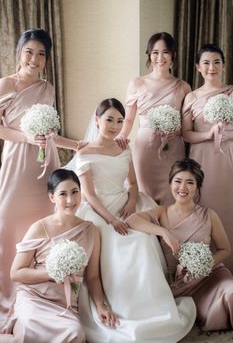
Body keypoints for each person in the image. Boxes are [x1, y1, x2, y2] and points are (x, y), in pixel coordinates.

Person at [67, 98, 196, 343]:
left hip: (125, 203)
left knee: (142, 240)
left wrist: (129, 202)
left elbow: (134, 184)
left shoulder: (124, 148)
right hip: (99, 210)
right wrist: (112, 220)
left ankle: (153, 310)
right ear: (97, 120)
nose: (114, 126)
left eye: (119, 121)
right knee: (114, 243)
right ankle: (120, 310)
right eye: (109, 120)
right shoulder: (84, 152)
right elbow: (90, 195)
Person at [0, 28, 86, 322]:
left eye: (41, 54)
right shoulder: (6, 85)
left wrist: (74, 144)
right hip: (17, 163)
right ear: (19, 53)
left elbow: (49, 134)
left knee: (45, 220)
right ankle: (8, 291)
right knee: (9, 222)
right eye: (29, 52)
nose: (34, 59)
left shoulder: (47, 89)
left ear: (46, 59)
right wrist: (25, 137)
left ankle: (45, 288)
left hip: (44, 163)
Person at [0, 168, 118, 342]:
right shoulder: (39, 227)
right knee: (29, 329)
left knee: (75, 334)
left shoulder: (91, 231)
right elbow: (16, 273)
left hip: (65, 304)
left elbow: (93, 277)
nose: (70, 200)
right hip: (34, 297)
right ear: (52, 197)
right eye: (63, 194)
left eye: (75, 192)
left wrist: (101, 305)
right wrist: (53, 273)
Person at [127, 158, 233, 332]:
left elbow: (225, 249)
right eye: (178, 181)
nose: (183, 188)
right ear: (170, 183)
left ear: (197, 187)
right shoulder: (162, 212)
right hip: (179, 283)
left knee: (232, 292)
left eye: (190, 183)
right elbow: (132, 220)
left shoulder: (209, 215)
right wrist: (164, 232)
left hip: (210, 276)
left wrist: (203, 265)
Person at [115, 32, 191, 205]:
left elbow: (187, 127)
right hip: (146, 148)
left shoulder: (183, 87)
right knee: (145, 197)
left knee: (172, 195)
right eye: (155, 52)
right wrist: (121, 135)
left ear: (173, 55)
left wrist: (176, 131)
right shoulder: (137, 83)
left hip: (173, 149)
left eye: (165, 52)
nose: (160, 57)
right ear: (149, 55)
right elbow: (128, 120)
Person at [181, 44, 233, 275]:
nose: (211, 67)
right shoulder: (191, 97)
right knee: (205, 208)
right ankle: (203, 267)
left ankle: (231, 268)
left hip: (230, 157)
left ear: (223, 65)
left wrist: (225, 134)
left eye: (216, 62)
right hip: (202, 157)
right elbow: (186, 133)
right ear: (198, 67)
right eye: (206, 63)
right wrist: (208, 134)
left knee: (230, 207)